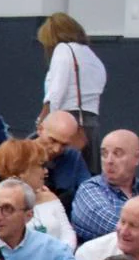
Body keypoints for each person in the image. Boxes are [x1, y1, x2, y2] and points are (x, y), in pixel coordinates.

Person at [37, 11, 105, 155]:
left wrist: (44, 121)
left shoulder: (63, 49)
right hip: (90, 127)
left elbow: (56, 92)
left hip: (65, 125)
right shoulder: (93, 57)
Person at [0, 136, 71, 249]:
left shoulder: (49, 197)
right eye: (41, 166)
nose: (46, 171)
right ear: (22, 170)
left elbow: (68, 233)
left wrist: (60, 256)